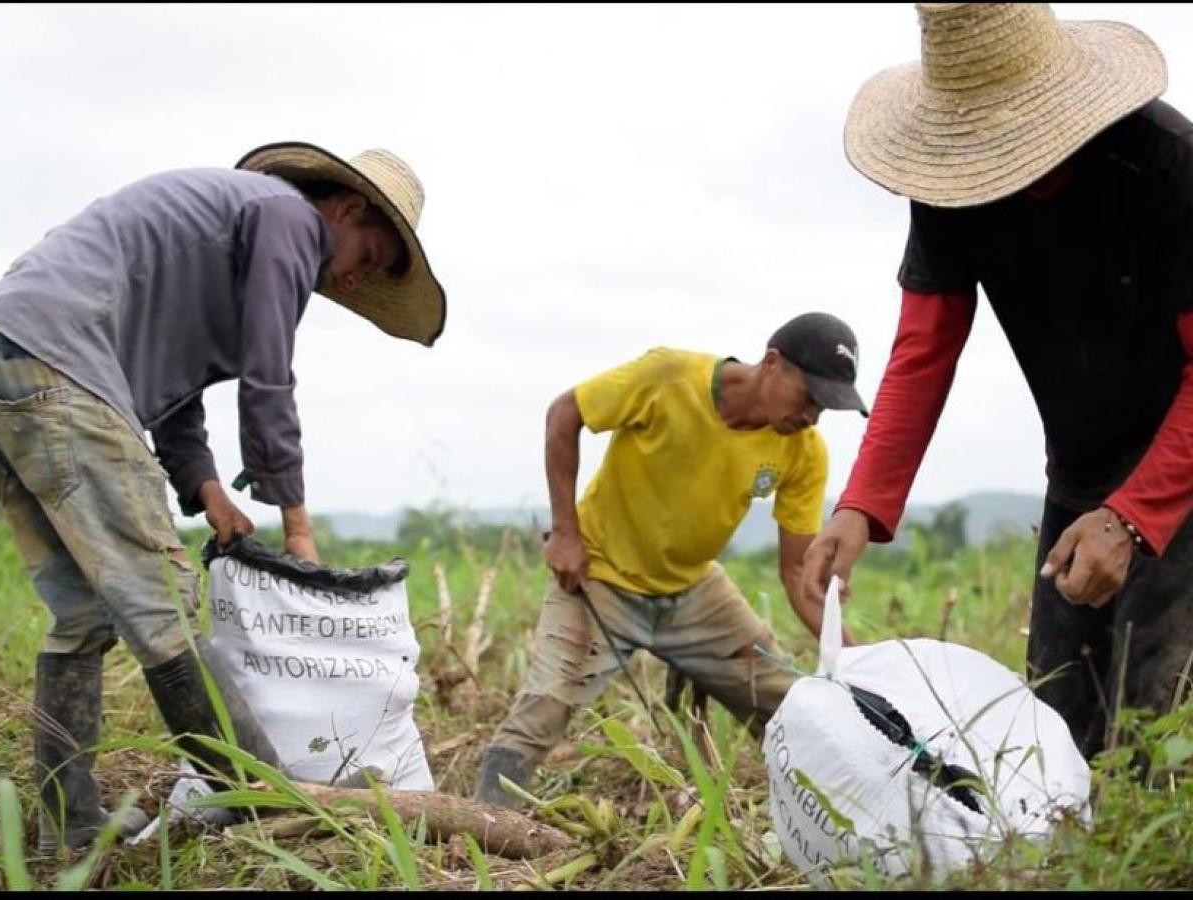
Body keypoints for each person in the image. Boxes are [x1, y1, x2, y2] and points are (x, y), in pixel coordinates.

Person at [0, 141, 446, 850]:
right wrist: (297, 522)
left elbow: (172, 395)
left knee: (82, 615)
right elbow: (271, 374)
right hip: (59, 362)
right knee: (165, 602)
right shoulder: (288, 218)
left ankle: (68, 825)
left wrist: (209, 493)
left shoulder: (236, 232)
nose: (357, 279)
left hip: (13, 358)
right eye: (370, 254)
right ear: (348, 208)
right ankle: (263, 812)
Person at [803, 2, 1193, 760]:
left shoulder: (1168, 166)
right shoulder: (951, 179)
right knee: (1055, 724)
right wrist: (861, 507)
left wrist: (1133, 516)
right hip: (1080, 467)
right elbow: (924, 348)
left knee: (1156, 719)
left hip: (1182, 463)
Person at [473, 312, 868, 807]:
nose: (811, 416)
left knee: (787, 701)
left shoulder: (804, 451)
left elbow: (795, 571)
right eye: (809, 397)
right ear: (771, 364)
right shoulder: (668, 376)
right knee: (546, 705)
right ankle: (487, 821)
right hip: (599, 577)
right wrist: (566, 533)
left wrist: (859, 663)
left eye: (824, 408)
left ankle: (837, 809)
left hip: (696, 595)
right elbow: (564, 414)